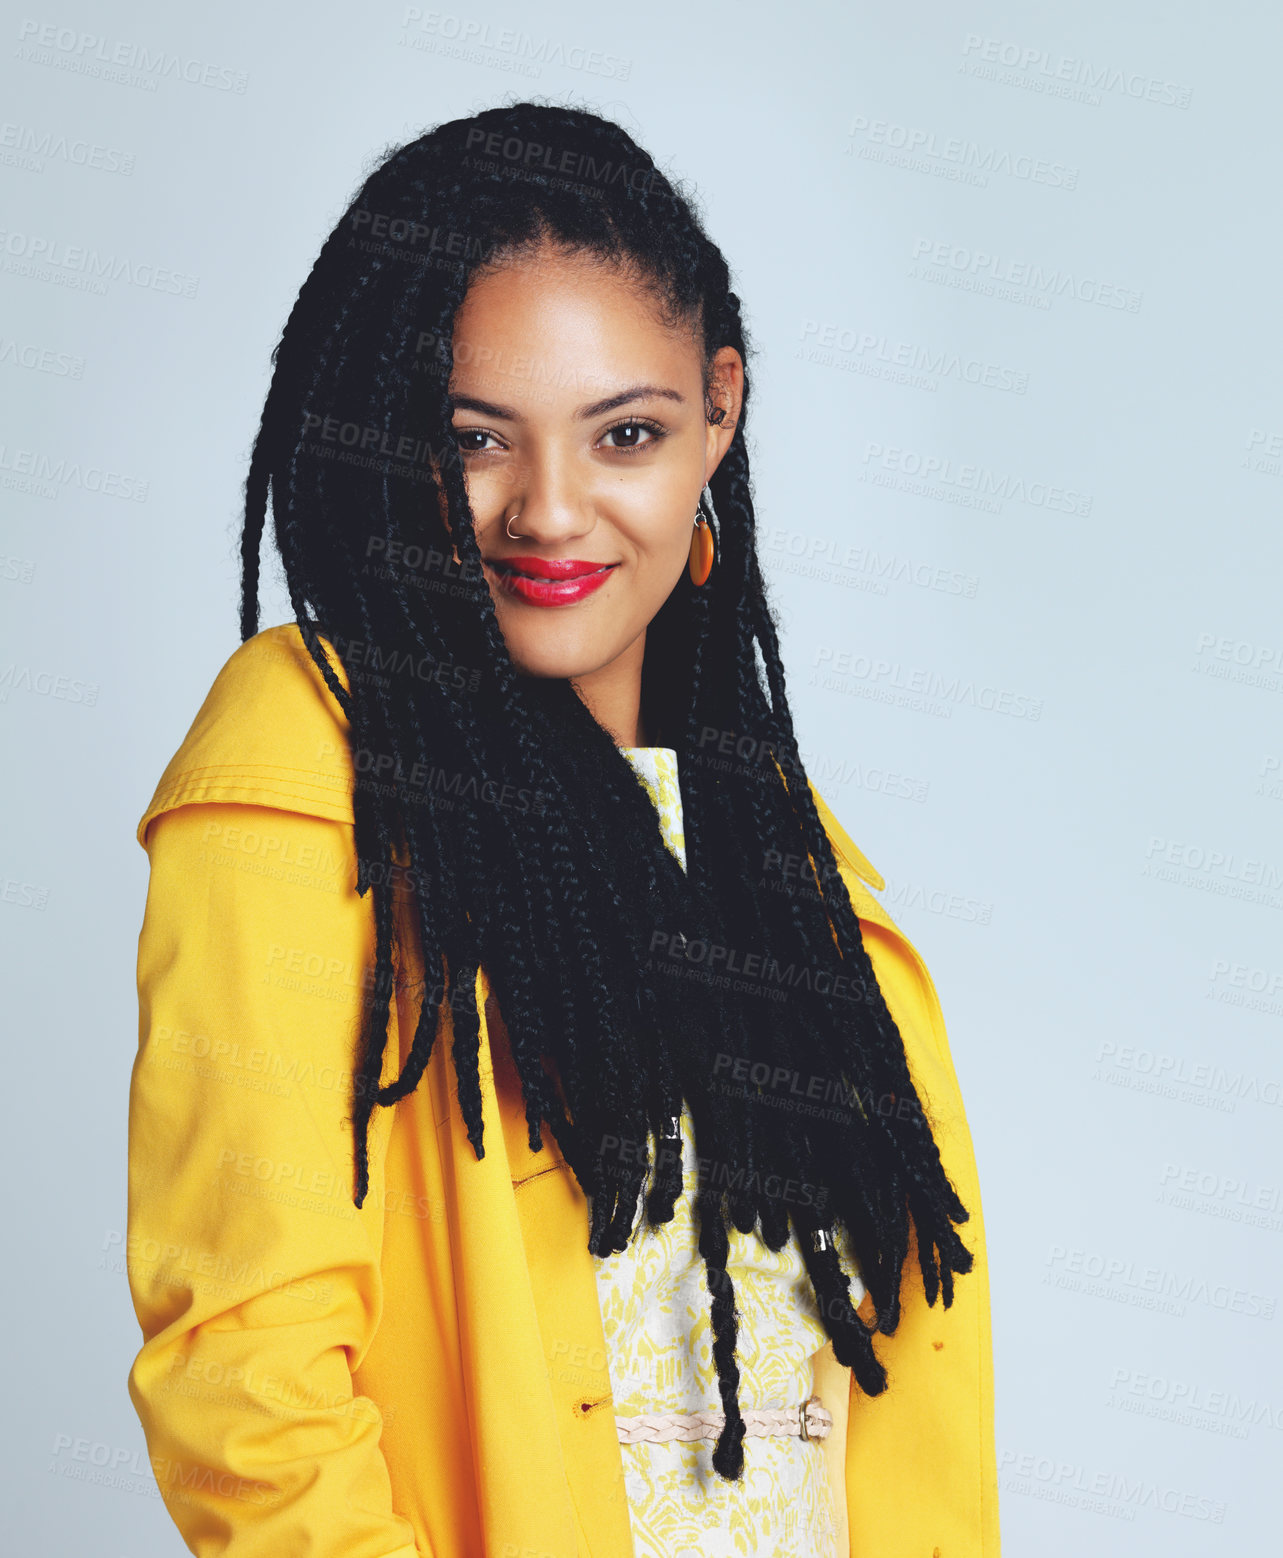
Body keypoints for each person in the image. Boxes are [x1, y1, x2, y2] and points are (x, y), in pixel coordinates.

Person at [126, 102, 999, 1557]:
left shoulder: (785, 862)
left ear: (720, 411)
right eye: (475, 439)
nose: (548, 511)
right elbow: (250, 1381)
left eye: (628, 433)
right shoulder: (307, 755)